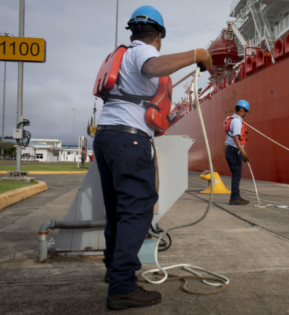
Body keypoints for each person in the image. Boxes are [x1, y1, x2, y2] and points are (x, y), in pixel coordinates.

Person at [93, 5, 212, 311]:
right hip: (128, 139)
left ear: (133, 30)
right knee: (137, 210)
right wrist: (198, 52)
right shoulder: (142, 52)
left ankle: (114, 271)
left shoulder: (121, 54)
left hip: (107, 135)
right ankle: (122, 288)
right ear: (159, 36)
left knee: (118, 210)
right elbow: (152, 68)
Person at [224, 100, 250, 205]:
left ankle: (236, 195)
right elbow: (235, 138)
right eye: (245, 112)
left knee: (236, 174)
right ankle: (234, 198)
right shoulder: (237, 121)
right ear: (242, 110)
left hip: (230, 150)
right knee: (236, 175)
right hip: (234, 151)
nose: (246, 114)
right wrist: (243, 152)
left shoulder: (231, 119)